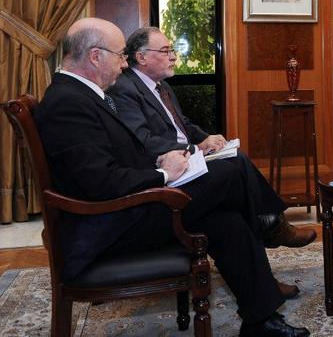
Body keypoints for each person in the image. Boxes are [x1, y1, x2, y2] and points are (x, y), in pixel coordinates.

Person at [35, 18, 310, 337]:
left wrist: (162, 160)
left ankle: (261, 321)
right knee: (232, 171)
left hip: (126, 209)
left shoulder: (80, 94)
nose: (124, 63)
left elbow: (115, 158)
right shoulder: (68, 103)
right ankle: (268, 225)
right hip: (112, 225)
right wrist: (164, 173)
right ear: (96, 56)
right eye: (121, 55)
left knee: (226, 219)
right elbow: (99, 183)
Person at [108, 26, 316, 251]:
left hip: (187, 156)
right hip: (169, 167)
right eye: (166, 51)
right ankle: (272, 225)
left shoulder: (161, 86)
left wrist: (207, 139)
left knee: (234, 161)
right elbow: (143, 140)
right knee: (236, 163)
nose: (173, 57)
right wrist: (195, 148)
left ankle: (269, 225)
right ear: (141, 57)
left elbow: (183, 124)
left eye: (172, 50)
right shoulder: (125, 88)